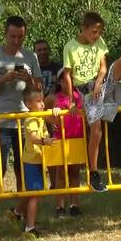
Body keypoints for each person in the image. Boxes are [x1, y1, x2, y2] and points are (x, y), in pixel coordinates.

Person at [61, 11, 121, 192]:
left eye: (99, 32)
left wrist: (99, 82)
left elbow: (103, 66)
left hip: (102, 83)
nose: (97, 36)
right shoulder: (70, 47)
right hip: (86, 91)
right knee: (96, 131)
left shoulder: (99, 42)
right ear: (83, 29)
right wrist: (72, 101)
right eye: (94, 32)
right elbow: (67, 76)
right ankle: (94, 172)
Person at [0, 15, 42, 238]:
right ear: (5, 34)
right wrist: (4, 78)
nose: (17, 41)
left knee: (23, 172)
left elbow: (39, 89)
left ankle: (22, 217)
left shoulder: (30, 56)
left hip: (24, 122)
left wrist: (29, 79)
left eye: (21, 37)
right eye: (13, 36)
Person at [19, 88, 60, 238]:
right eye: (39, 101)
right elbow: (33, 138)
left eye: (43, 101)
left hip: (38, 160)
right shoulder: (31, 118)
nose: (42, 104)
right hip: (31, 161)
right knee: (35, 194)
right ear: (28, 104)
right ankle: (30, 227)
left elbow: (55, 120)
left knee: (34, 192)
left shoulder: (40, 115)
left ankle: (17, 213)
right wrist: (45, 141)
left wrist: (55, 111)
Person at [45, 67, 85, 218]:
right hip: (60, 139)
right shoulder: (53, 97)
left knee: (75, 172)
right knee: (60, 174)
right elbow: (41, 110)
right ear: (60, 81)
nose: (68, 82)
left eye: (71, 79)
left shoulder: (79, 96)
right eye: (64, 79)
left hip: (76, 138)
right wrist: (51, 118)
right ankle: (59, 206)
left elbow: (86, 114)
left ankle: (74, 204)